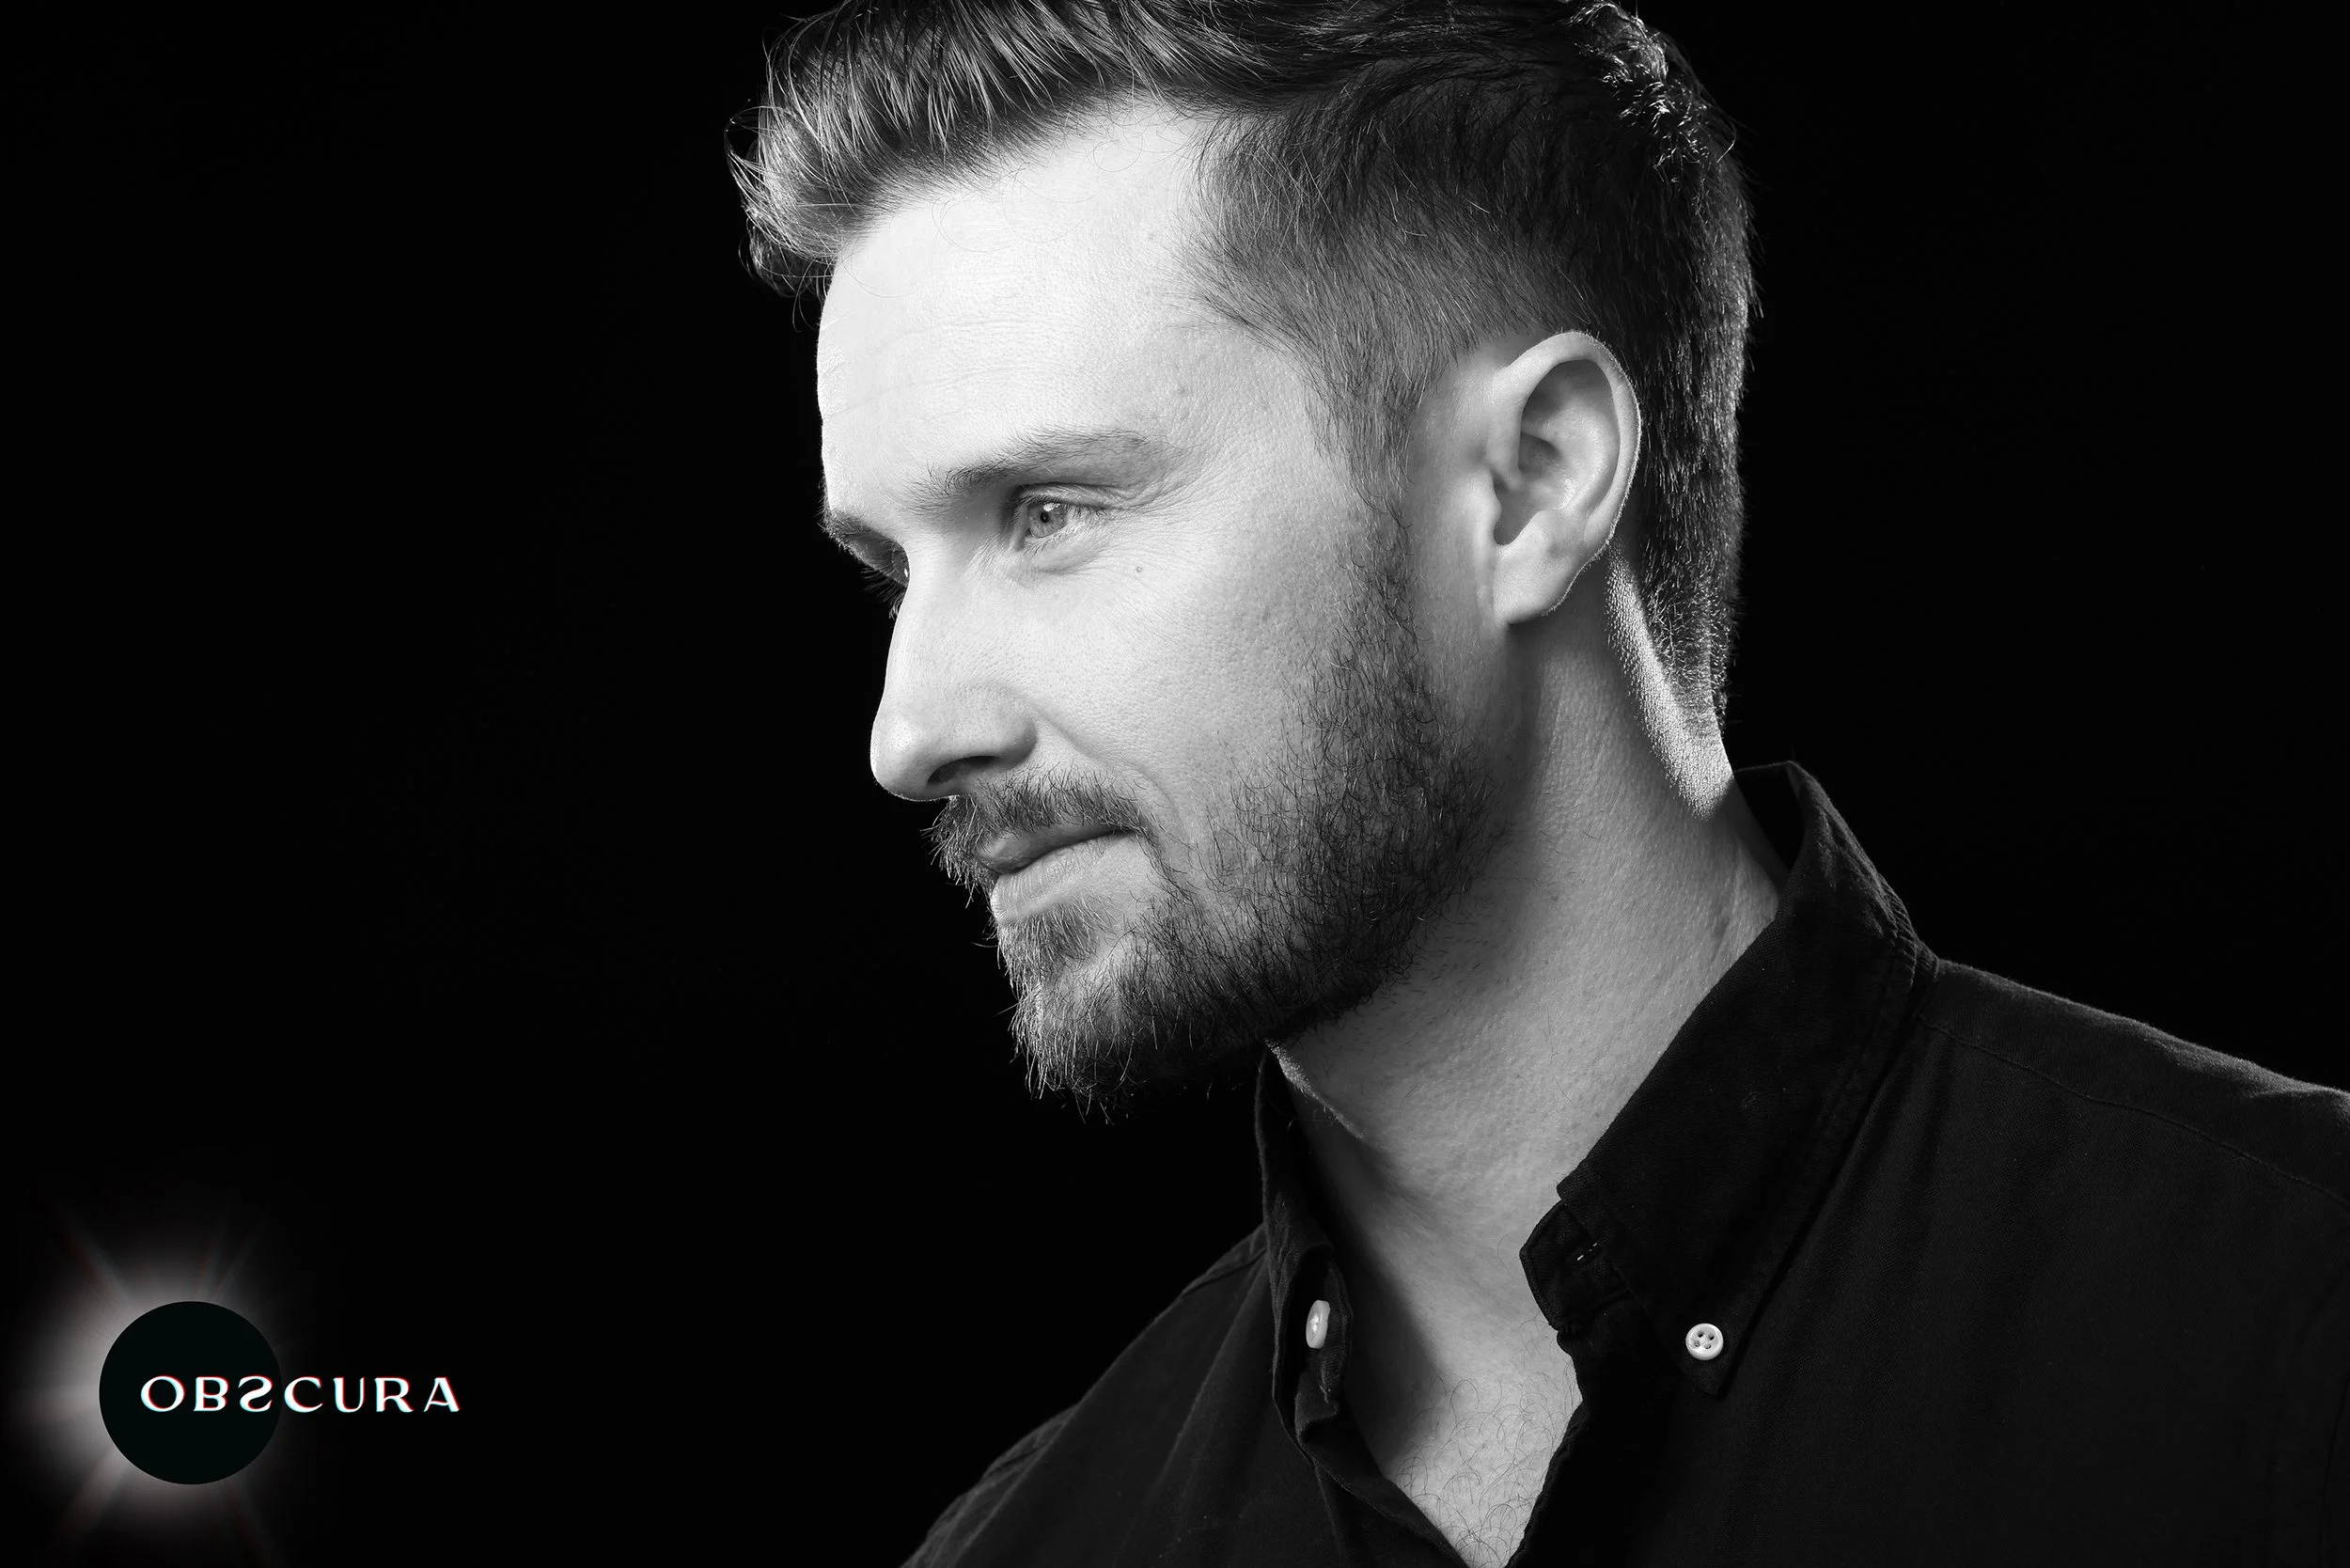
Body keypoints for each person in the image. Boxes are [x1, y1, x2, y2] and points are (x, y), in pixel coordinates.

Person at [735, 3, 2350, 1562]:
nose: (905, 732)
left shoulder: (2285, 1330)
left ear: (1532, 484)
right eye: (893, 574)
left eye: (1046, 512)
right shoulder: (1035, 1548)